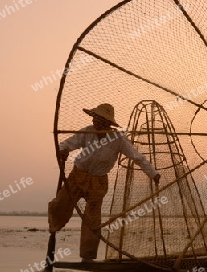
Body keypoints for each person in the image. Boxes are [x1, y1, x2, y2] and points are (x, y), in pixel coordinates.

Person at [48, 103, 160, 262]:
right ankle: (53, 226)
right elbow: (67, 143)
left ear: (108, 122)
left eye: (101, 119)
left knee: (92, 219)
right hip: (78, 175)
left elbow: (137, 157)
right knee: (60, 204)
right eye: (95, 118)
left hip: (99, 181)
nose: (96, 122)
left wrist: (153, 174)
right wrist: (63, 151)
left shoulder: (118, 139)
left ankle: (87, 257)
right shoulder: (87, 132)